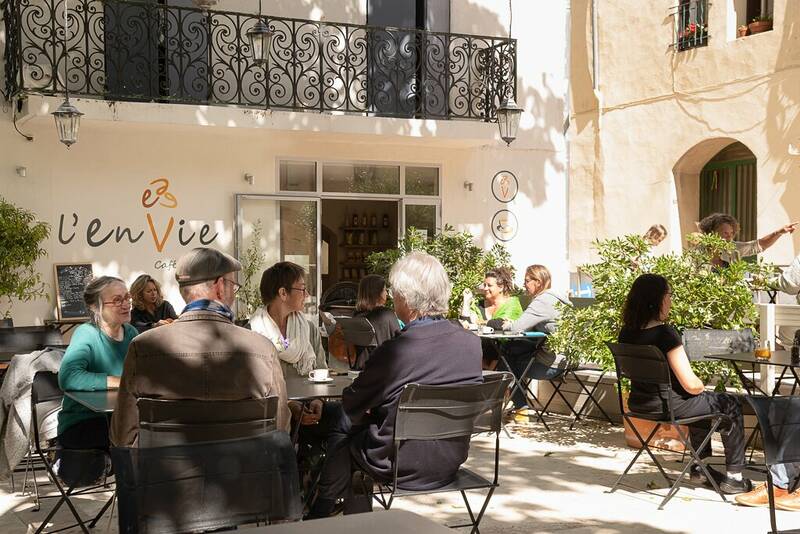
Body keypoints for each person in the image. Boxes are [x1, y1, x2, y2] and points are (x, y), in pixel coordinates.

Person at [306, 251, 483, 519]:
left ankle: (326, 511)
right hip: (449, 461)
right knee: (349, 423)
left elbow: (352, 402)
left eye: (395, 293)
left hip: (397, 463)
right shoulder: (471, 343)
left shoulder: (397, 350)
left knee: (342, 422)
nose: (392, 297)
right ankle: (330, 510)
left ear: (407, 300)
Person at [110, 247, 290, 447]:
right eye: (233, 286)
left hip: (163, 467)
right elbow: (281, 427)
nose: (234, 293)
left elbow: (123, 436)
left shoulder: (142, 348)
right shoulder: (263, 349)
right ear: (220, 287)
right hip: (246, 465)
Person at [618, 273, 750, 494]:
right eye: (669, 295)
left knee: (701, 402)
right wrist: (701, 387)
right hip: (670, 406)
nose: (670, 300)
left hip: (639, 404)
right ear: (658, 299)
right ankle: (735, 478)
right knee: (730, 403)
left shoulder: (626, 333)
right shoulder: (665, 334)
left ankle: (700, 467)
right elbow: (691, 384)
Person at [58, 276, 137, 452]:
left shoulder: (131, 333)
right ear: (95, 307)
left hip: (121, 418)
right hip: (83, 422)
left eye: (127, 297)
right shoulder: (87, 333)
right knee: (133, 442)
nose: (126, 304)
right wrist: (120, 382)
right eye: (117, 300)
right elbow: (68, 377)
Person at [488, 265, 571, 409]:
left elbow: (516, 328)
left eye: (527, 281)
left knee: (506, 360)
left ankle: (519, 407)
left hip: (552, 366)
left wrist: (506, 324)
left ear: (538, 282)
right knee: (513, 352)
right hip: (568, 361)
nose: (524, 285)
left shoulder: (542, 301)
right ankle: (517, 406)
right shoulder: (556, 299)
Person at [249, 261, 327, 378]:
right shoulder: (252, 332)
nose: (307, 295)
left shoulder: (309, 330)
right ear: (283, 293)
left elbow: (322, 375)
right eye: (302, 289)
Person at [698, 212, 797, 267]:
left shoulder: (733, 248)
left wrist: (779, 233)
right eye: (725, 233)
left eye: (732, 233)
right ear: (712, 232)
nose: (729, 237)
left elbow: (759, 245)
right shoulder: (698, 251)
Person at [351, 274, 401, 369]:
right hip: (384, 369)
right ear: (377, 293)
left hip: (359, 369)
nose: (386, 294)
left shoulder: (356, 316)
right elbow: (401, 343)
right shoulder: (387, 314)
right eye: (384, 290)